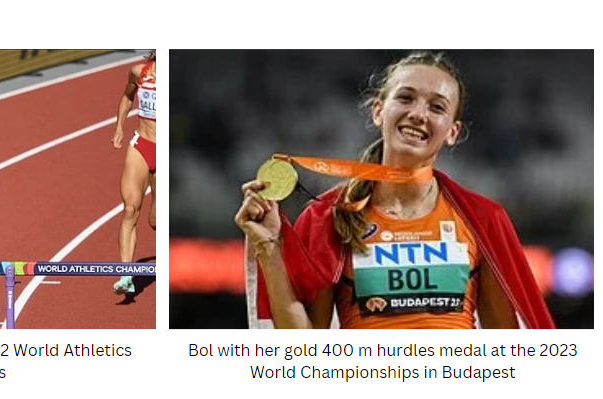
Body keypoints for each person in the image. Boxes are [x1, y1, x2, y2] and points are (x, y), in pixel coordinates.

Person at [234, 51, 554, 329]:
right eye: (405, 97)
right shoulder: (328, 216)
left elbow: (507, 349)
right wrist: (270, 248)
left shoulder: (483, 220)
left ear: (453, 132)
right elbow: (304, 351)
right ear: (378, 110)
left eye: (437, 107)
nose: (418, 114)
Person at [111, 50, 156, 294]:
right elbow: (128, 96)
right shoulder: (139, 72)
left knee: (156, 222)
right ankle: (126, 275)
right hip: (141, 145)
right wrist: (119, 125)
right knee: (130, 208)